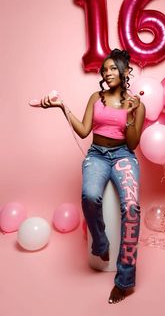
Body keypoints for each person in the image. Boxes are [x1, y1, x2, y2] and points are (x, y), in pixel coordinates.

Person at [40, 49, 145, 304]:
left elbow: (132, 144)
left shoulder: (137, 105)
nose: (107, 73)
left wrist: (131, 116)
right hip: (97, 154)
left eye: (112, 69)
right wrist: (62, 107)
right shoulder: (95, 97)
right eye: (105, 69)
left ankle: (124, 281)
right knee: (89, 195)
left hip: (123, 156)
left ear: (124, 72)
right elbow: (85, 130)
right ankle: (100, 243)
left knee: (131, 208)